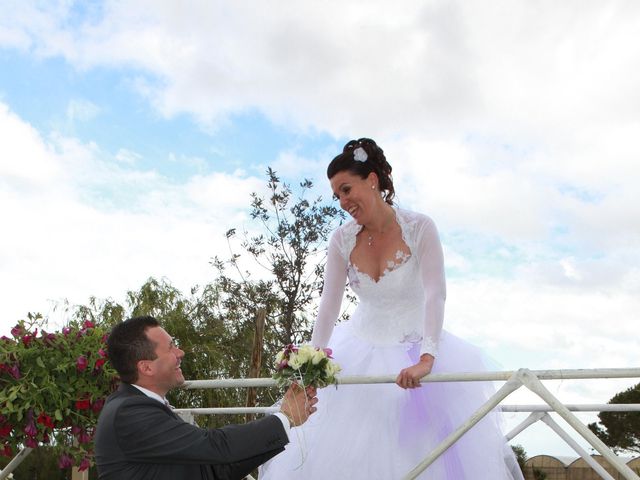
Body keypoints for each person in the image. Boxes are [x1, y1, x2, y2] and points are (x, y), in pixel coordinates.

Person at [259, 138, 524, 479]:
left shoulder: (420, 228)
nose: (342, 201)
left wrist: (428, 357)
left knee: (422, 456)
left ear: (372, 179)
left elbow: (435, 294)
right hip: (358, 352)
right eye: (337, 195)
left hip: (414, 350)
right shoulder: (341, 239)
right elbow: (329, 303)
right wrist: (312, 361)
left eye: (346, 189)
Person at [94, 315, 318, 480]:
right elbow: (215, 446)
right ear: (146, 368)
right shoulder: (128, 413)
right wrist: (285, 417)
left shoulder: (139, 406)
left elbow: (211, 469)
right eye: (171, 348)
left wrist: (286, 416)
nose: (180, 353)